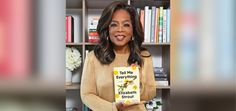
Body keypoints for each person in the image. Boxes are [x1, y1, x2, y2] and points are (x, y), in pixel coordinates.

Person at [80, 1, 156, 111]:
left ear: (133, 30)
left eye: (126, 25)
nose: (120, 30)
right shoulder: (93, 57)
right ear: (107, 29)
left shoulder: (144, 56)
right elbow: (86, 95)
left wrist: (138, 81)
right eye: (114, 24)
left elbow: (151, 93)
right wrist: (113, 108)